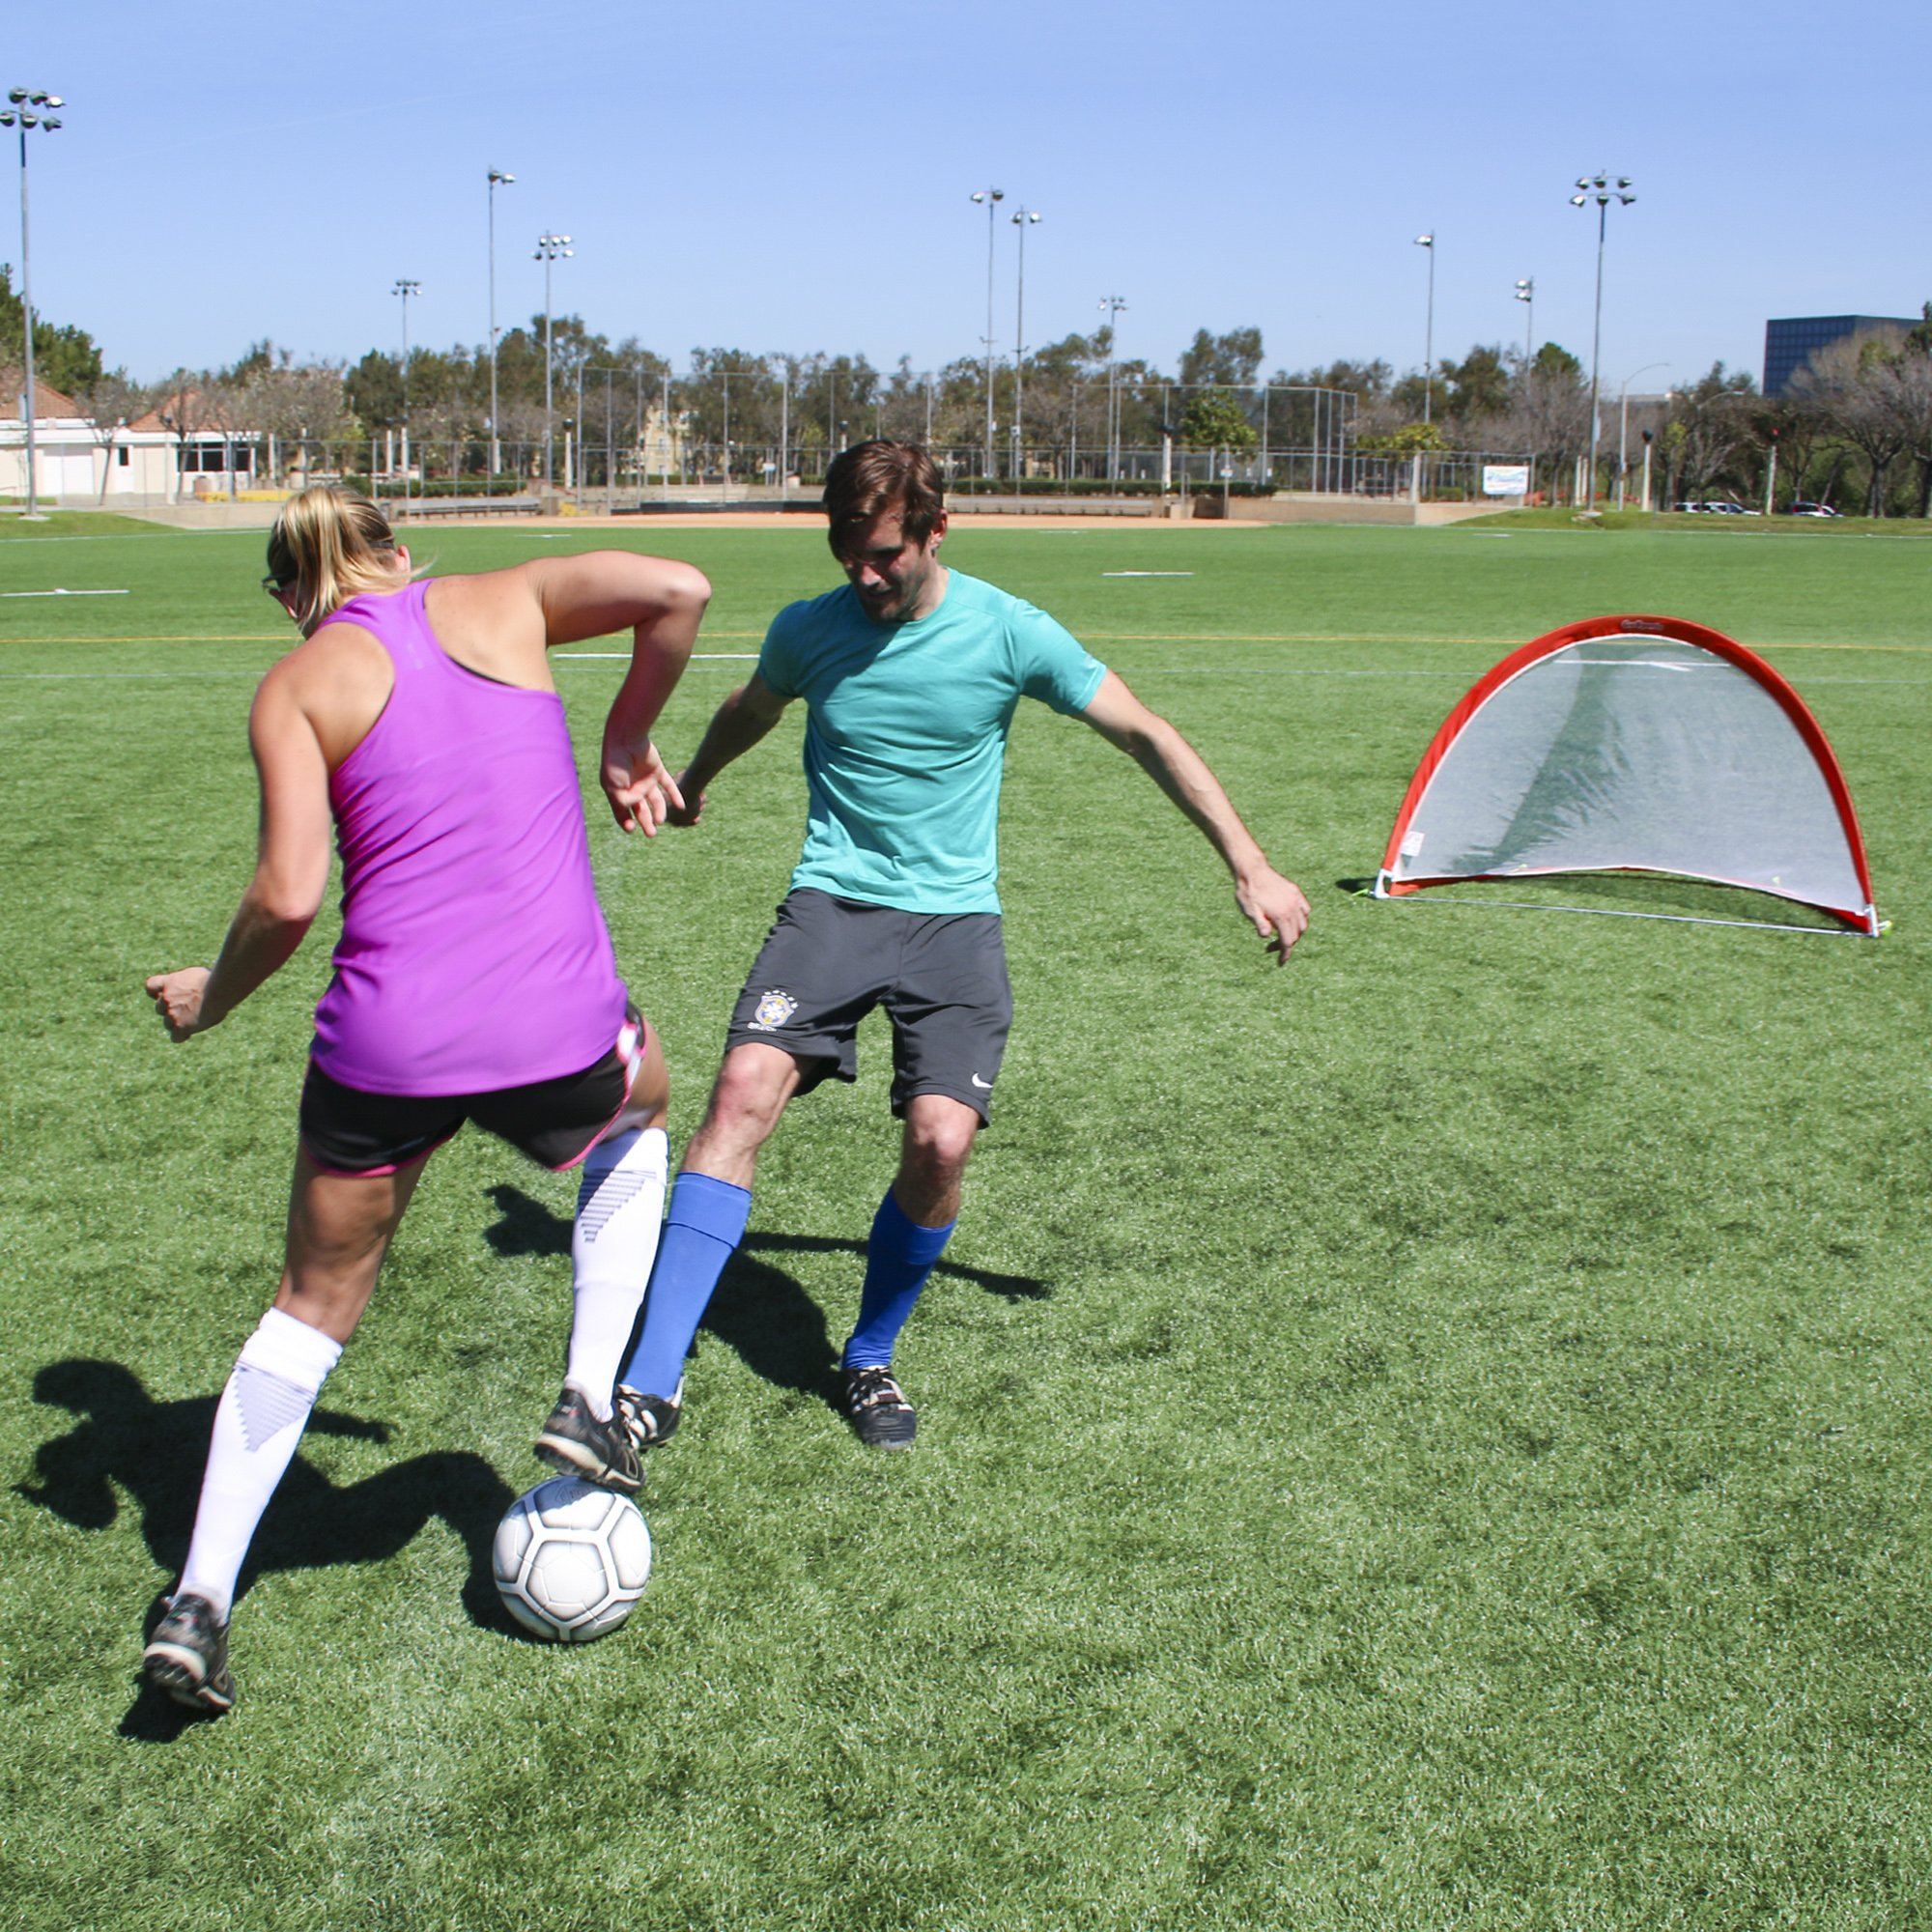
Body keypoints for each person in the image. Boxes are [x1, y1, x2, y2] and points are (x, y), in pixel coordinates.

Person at [599, 440, 1309, 1457]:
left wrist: (1248, 861)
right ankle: (647, 1385)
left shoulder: (1008, 631)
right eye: (847, 550)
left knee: (940, 1141)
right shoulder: (811, 629)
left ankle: (869, 1354)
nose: (863, 574)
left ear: (936, 531)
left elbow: (1145, 732)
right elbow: (753, 704)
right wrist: (697, 778)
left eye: (883, 552)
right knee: (739, 1092)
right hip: (831, 905)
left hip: (952, 924)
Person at [139, 486, 708, 1712]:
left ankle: (197, 1602)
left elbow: (289, 899)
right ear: (399, 550)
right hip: (554, 1026)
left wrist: (210, 996)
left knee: (309, 1304)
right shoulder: (505, 601)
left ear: (294, 592)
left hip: (385, 1043)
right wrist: (625, 735)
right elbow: (680, 590)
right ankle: (588, 1393)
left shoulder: (296, 687)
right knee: (645, 1109)